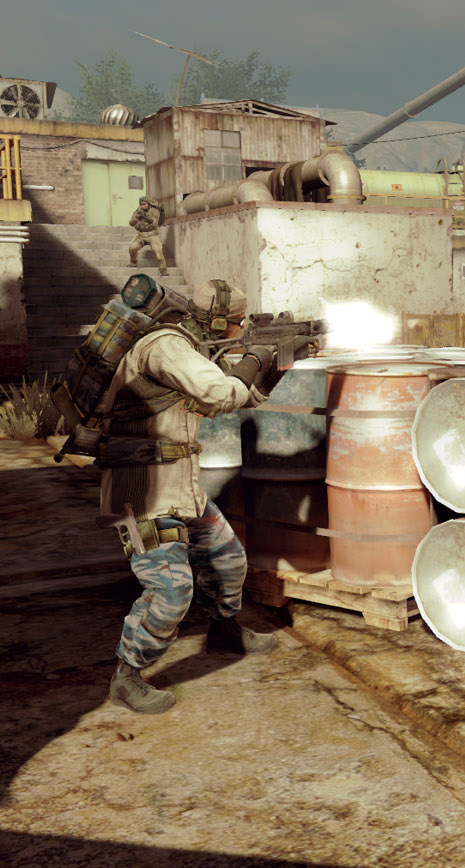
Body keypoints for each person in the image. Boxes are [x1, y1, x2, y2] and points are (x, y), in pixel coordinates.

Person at [102, 279, 295, 714]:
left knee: (228, 560)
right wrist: (254, 357)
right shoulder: (166, 348)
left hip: (179, 485)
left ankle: (224, 631)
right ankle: (126, 677)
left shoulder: (190, 352)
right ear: (219, 322)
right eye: (239, 322)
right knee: (170, 589)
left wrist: (277, 365)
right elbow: (219, 392)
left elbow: (233, 400)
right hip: (141, 492)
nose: (242, 328)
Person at [128, 196, 167, 270]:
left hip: (152, 235)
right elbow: (131, 223)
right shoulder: (138, 211)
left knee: (158, 253)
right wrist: (136, 218)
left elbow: (155, 224)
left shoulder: (154, 211)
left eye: (144, 204)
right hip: (141, 236)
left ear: (148, 204)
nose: (142, 206)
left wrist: (146, 217)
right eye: (141, 204)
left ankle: (163, 269)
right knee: (132, 248)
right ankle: (133, 263)